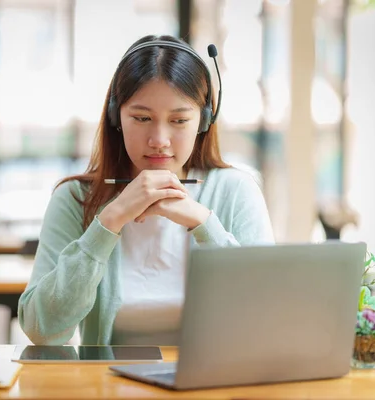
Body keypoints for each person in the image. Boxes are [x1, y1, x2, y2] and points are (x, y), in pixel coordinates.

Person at [18, 34, 274, 346]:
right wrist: (108, 222)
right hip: (107, 388)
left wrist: (205, 224)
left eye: (179, 120)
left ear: (203, 121)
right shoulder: (75, 199)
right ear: (116, 117)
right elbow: (41, 330)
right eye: (141, 118)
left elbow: (265, 318)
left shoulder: (236, 191)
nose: (159, 139)